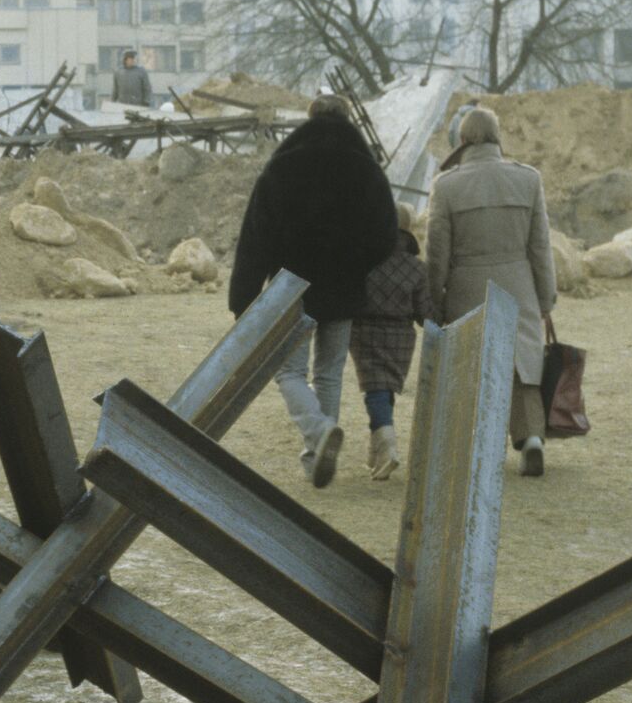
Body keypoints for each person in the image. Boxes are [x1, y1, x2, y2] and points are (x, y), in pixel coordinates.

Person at [229, 95, 397, 487]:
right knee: (329, 373)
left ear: (308, 118)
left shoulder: (282, 166)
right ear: (348, 118)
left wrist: (244, 299)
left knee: (287, 370)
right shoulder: (367, 169)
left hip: (292, 286)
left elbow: (255, 237)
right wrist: (359, 263)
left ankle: (319, 435)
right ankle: (316, 456)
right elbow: (387, 235)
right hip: (344, 285)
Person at [426, 105, 558, 476]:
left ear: (462, 139)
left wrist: (434, 298)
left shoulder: (446, 185)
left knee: (472, 363)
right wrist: (545, 299)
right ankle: (532, 437)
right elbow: (540, 247)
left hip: (468, 284)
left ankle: (477, 447)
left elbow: (437, 252)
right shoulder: (528, 179)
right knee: (522, 367)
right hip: (519, 281)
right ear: (498, 136)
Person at [350, 202, 432, 480]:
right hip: (402, 336)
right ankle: (376, 458)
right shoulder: (417, 268)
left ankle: (387, 448)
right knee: (384, 391)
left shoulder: (362, 259)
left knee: (374, 390)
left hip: (364, 331)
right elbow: (425, 313)